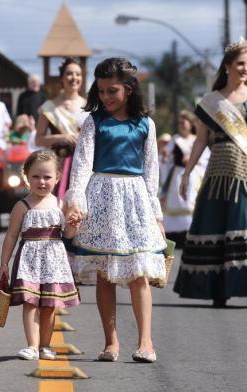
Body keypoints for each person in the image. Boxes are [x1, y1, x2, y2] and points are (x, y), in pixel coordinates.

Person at [64, 58, 167, 363]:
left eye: (113, 91)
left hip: (135, 201)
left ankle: (146, 342)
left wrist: (156, 214)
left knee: (139, 274)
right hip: (100, 198)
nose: (106, 97)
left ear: (129, 89)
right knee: (105, 275)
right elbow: (81, 166)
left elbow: (152, 173)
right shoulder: (93, 122)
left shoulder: (146, 124)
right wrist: (77, 203)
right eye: (102, 91)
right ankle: (111, 342)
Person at [174, 39, 247, 307]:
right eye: (240, 63)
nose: (245, 68)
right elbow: (201, 140)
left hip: (245, 170)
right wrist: (186, 173)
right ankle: (218, 288)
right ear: (228, 66)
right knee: (217, 224)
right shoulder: (211, 102)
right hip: (219, 172)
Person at [0, 150, 80, 360]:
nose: (41, 182)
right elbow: (11, 237)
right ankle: (32, 346)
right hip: (29, 261)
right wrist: (4, 264)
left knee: (49, 306)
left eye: (47, 177)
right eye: (35, 176)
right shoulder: (22, 206)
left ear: (58, 177)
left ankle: (45, 345)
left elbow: (68, 236)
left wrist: (74, 225)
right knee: (30, 302)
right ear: (26, 176)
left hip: (54, 261)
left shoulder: (61, 204)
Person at [36, 57, 88, 199]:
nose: (74, 78)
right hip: (58, 164)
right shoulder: (49, 107)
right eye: (69, 74)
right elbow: (38, 139)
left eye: (78, 74)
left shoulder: (90, 106)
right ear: (62, 78)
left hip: (84, 164)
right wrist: (62, 137)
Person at [161, 111, 209, 247]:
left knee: (191, 202)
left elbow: (206, 157)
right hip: (177, 176)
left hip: (193, 176)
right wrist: (165, 156)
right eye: (179, 123)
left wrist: (193, 160)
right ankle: (175, 235)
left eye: (184, 122)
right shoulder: (175, 139)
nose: (181, 125)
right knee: (176, 202)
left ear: (190, 124)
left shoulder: (197, 139)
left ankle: (192, 232)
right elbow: (167, 158)